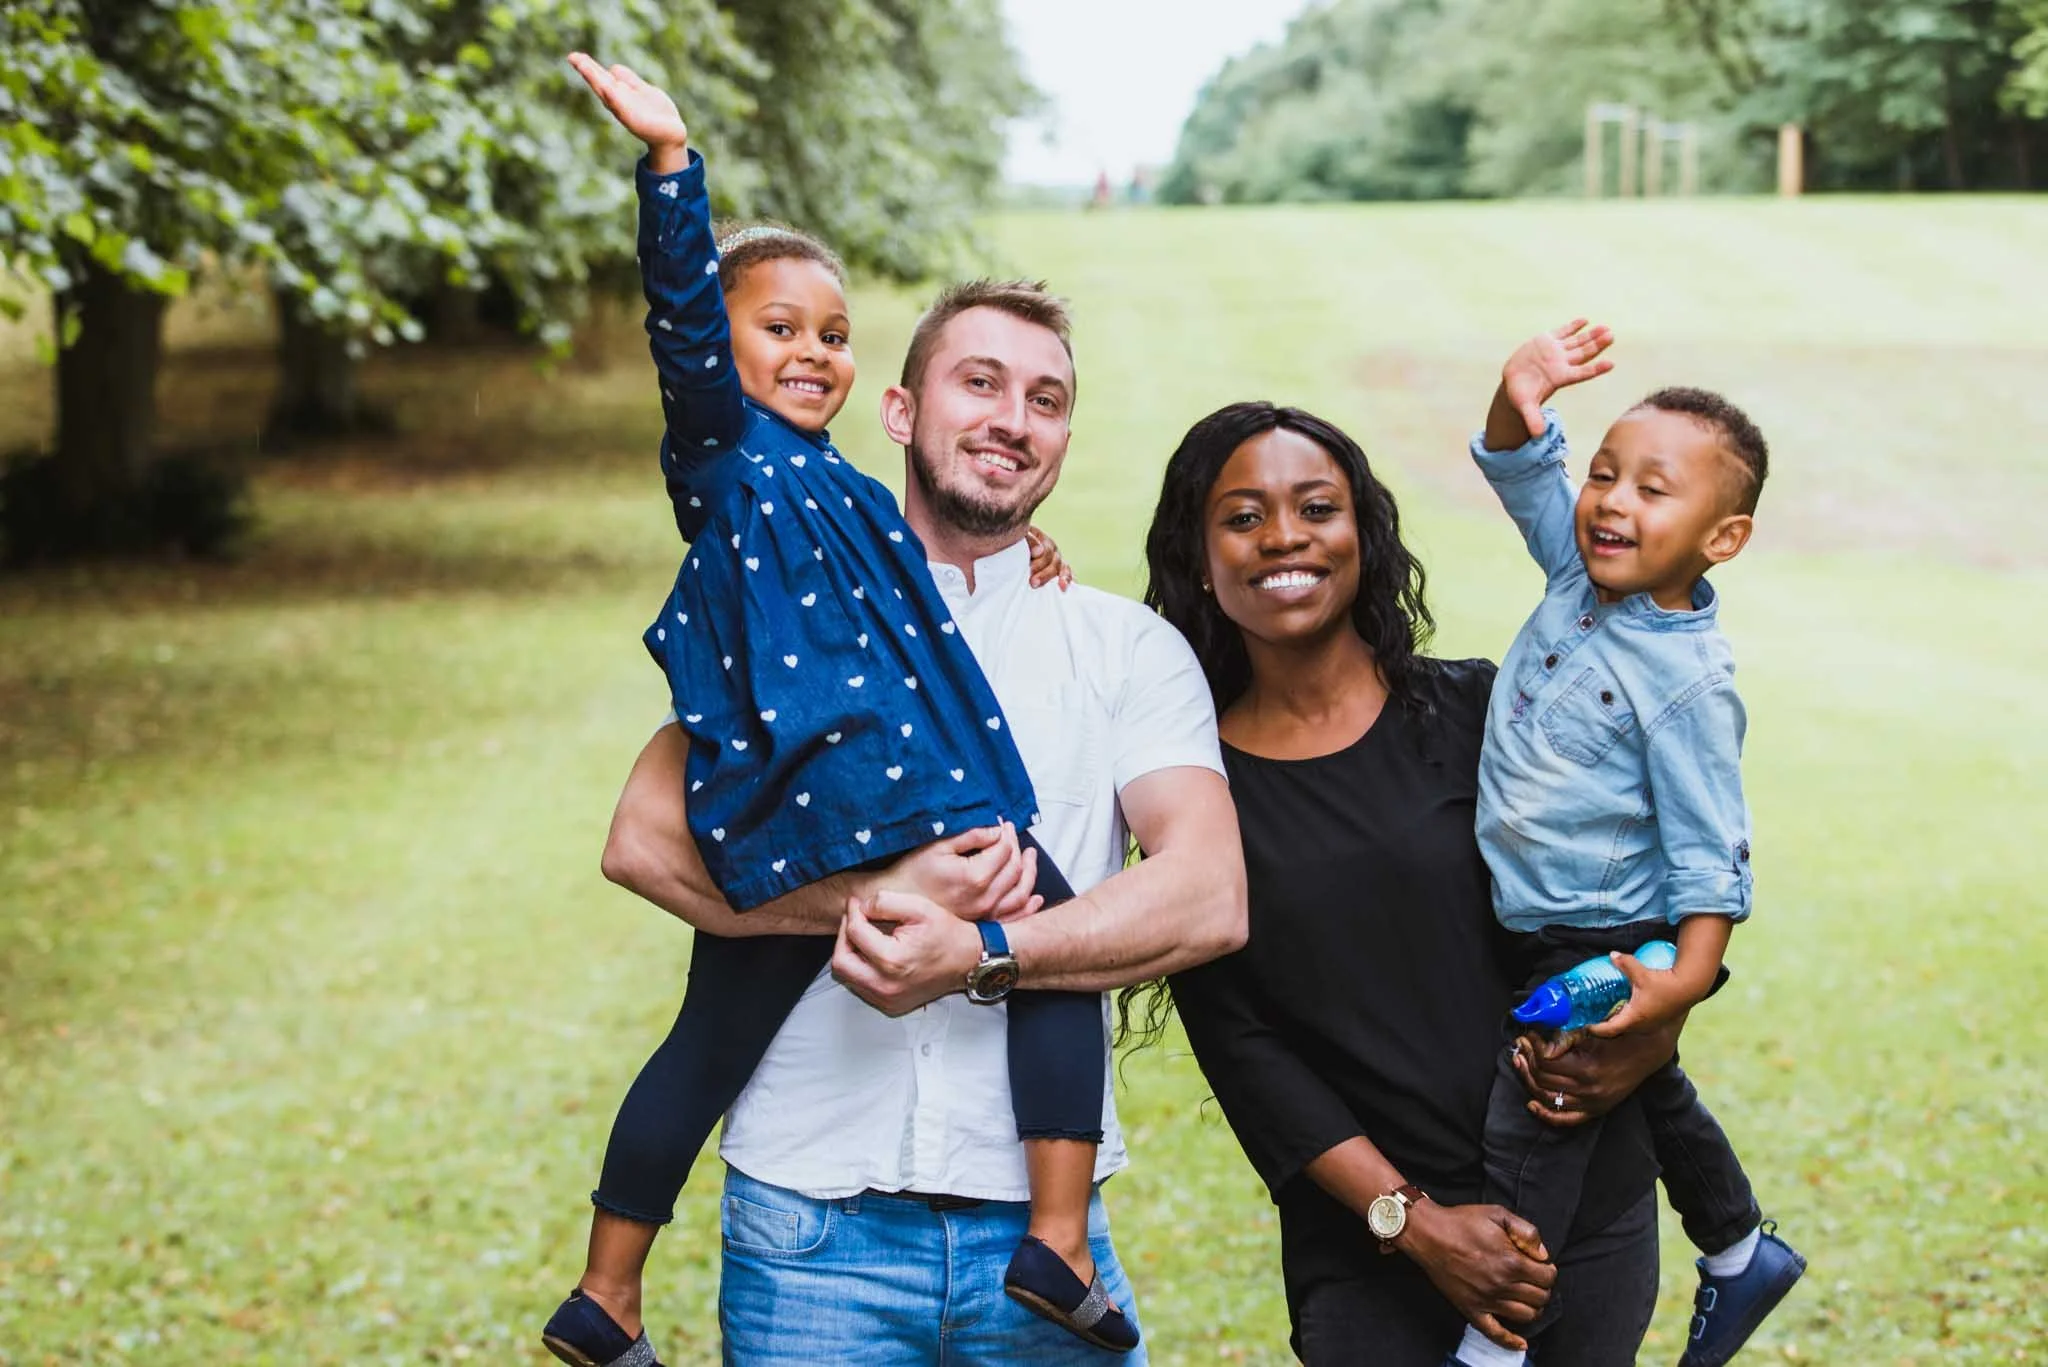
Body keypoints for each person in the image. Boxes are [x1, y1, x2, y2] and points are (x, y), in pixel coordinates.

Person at [546, 54, 1141, 1366]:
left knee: (712, 1033)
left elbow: (923, 582)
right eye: (779, 327)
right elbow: (682, 317)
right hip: (871, 782)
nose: (811, 350)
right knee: (1045, 933)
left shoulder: (850, 494)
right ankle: (1055, 1237)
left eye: (830, 333)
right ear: (720, 349)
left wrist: (1033, 553)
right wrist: (670, 165)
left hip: (789, 805)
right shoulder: (723, 456)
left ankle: (606, 1292)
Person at [594, 262, 1248, 1360]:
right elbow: (642, 840)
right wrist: (883, 892)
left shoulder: (1124, 647)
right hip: (807, 1231)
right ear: (898, 412)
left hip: (1040, 1237)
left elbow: (1208, 895)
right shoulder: (794, 604)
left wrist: (982, 949)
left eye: (1045, 399)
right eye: (979, 382)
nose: (1012, 419)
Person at [1147, 401, 1686, 1365]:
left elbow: (1617, 896)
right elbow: (1244, 1047)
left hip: (1580, 1217)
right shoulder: (1190, 790)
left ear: (1365, 534)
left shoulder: (1485, 708)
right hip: (1371, 1255)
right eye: (1243, 517)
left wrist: (1645, 1035)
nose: (1284, 536)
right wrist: (1414, 1221)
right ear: (1197, 555)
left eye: (1318, 507)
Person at [1451, 321, 1805, 1367]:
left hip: (1603, 936)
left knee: (1544, 1096)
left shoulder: (1689, 682)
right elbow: (1519, 466)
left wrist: (1679, 983)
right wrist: (1517, 393)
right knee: (1651, 1087)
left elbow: (1710, 850)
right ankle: (1739, 1248)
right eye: (1604, 473)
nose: (1610, 500)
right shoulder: (1577, 573)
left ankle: (1496, 1337)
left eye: (1654, 489)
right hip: (1537, 916)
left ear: (1722, 537)